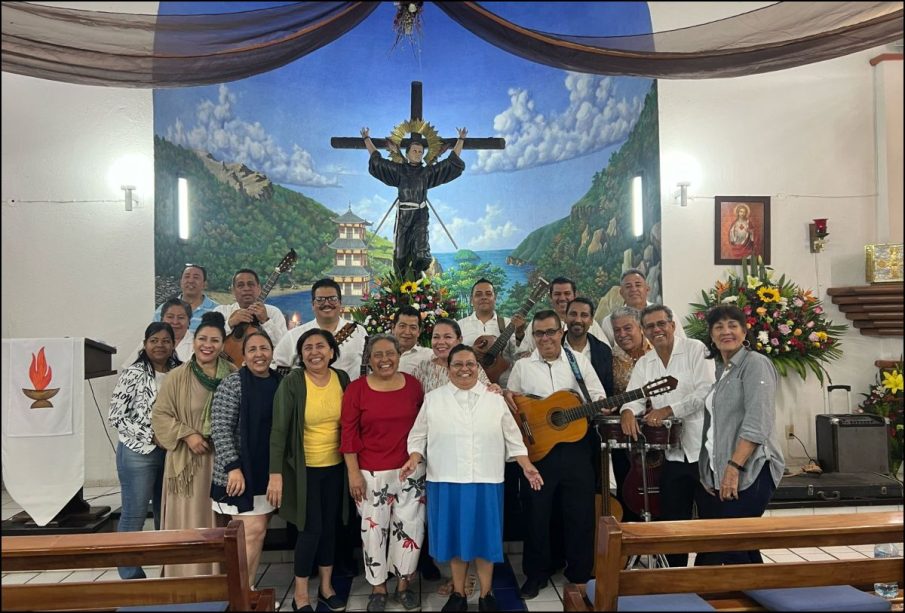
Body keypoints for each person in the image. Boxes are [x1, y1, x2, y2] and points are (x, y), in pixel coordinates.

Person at [403, 345, 544, 613]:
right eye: (458, 364)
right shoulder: (434, 398)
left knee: (485, 539)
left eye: (470, 364)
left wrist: (527, 466)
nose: (464, 369)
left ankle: (486, 595)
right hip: (446, 479)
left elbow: (513, 438)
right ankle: (458, 594)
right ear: (448, 367)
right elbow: (418, 435)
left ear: (478, 368)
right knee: (456, 539)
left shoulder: (494, 399)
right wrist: (414, 456)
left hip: (485, 479)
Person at [506, 310, 606, 599]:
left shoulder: (578, 362)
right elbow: (512, 407)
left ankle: (578, 574)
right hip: (538, 452)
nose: (545, 338)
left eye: (550, 332)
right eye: (539, 333)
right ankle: (536, 574)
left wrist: (601, 405)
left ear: (561, 332)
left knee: (580, 513)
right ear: (533, 336)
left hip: (576, 449)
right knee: (537, 514)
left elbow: (597, 395)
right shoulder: (523, 367)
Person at [619, 305, 716, 566]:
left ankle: (708, 576)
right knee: (673, 519)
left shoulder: (696, 349)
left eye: (661, 323)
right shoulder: (645, 363)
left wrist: (669, 409)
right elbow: (634, 397)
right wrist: (627, 411)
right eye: (650, 326)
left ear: (673, 325)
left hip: (704, 450)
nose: (656, 330)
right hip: (670, 454)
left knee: (710, 519)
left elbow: (705, 392)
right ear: (644, 331)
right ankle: (674, 577)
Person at [341, 335, 425, 613]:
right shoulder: (356, 390)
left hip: (410, 471)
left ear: (399, 355)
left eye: (390, 353)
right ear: (369, 358)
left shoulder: (413, 386)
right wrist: (353, 473)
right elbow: (348, 434)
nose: (385, 359)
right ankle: (378, 587)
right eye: (378, 354)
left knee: (410, 527)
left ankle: (403, 584)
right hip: (371, 472)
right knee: (373, 531)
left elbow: (423, 427)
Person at [696, 305, 785, 566]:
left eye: (732, 325)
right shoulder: (721, 371)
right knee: (741, 546)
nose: (726, 331)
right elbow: (714, 427)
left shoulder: (755, 364)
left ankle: (702, 598)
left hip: (751, 469)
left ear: (744, 331)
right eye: (719, 327)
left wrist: (734, 467)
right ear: (711, 335)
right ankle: (759, 597)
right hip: (720, 470)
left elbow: (757, 422)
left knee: (720, 546)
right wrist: (708, 470)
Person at [269, 329, 349, 613]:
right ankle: (300, 593)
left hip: (335, 468)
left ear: (331, 351)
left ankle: (326, 587)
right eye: (308, 348)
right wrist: (275, 473)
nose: (315, 352)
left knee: (330, 528)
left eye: (321, 346)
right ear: (301, 355)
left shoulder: (341, 379)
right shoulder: (293, 382)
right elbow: (278, 430)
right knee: (310, 529)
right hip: (303, 471)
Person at [152, 311, 236, 577]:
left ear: (222, 344)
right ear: (194, 341)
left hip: (221, 461)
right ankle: (185, 577)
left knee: (221, 521)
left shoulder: (232, 375)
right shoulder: (178, 376)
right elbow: (160, 415)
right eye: (202, 339)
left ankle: (220, 578)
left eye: (214, 340)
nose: (207, 345)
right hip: (187, 463)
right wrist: (188, 434)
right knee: (190, 521)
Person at [108, 322, 181, 580]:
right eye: (154, 340)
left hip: (172, 452)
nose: (160, 345)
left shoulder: (180, 371)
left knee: (168, 515)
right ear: (145, 343)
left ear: (173, 344)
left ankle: (168, 571)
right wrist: (152, 435)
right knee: (134, 513)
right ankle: (130, 575)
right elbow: (116, 416)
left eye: (165, 340)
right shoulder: (133, 373)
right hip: (138, 452)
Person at [210, 330, 281, 587]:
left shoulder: (279, 381)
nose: (259, 354)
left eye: (264, 348)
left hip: (267, 472)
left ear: (272, 351)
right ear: (244, 354)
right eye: (252, 349)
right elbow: (219, 427)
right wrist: (233, 468)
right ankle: (243, 595)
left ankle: (245, 590)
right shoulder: (233, 383)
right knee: (251, 532)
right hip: (241, 473)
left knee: (258, 532)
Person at [361, 126, 467, 277]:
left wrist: (461, 139)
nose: (417, 154)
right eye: (414, 151)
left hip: (420, 216)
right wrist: (367, 139)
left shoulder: (427, 173)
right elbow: (378, 163)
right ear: (407, 153)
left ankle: (419, 286)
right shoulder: (398, 170)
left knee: (421, 254)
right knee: (400, 255)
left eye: (420, 152)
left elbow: (450, 165)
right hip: (404, 215)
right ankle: (401, 289)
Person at [274, 279, 367, 382]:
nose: (327, 303)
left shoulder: (358, 331)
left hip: (349, 395)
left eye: (333, 299)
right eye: (320, 299)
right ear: (313, 304)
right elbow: (277, 368)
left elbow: (369, 367)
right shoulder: (294, 336)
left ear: (340, 302)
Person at [608, 306, 652, 522]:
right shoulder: (608, 357)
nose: (622, 334)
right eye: (617, 330)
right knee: (627, 488)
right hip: (622, 435)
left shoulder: (656, 351)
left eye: (627, 328)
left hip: (657, 434)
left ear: (641, 328)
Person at [457, 278, 530, 387]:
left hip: (504, 386)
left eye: (488, 294)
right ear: (471, 300)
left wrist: (519, 334)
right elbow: (452, 358)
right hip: (468, 385)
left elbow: (519, 357)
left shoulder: (508, 323)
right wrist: (469, 352)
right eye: (478, 294)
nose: (484, 297)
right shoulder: (459, 326)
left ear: (495, 298)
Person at [599, 269, 685, 348]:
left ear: (647, 289)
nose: (634, 289)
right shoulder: (610, 321)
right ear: (621, 292)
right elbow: (607, 353)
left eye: (638, 285)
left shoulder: (665, 314)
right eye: (628, 286)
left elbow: (682, 343)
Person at [215, 268, 288, 349]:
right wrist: (230, 323)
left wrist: (266, 321)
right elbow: (209, 339)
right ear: (233, 290)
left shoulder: (273, 312)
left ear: (259, 288)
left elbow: (284, 347)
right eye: (240, 285)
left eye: (251, 284)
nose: (246, 289)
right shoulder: (221, 311)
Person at [124, 298, 194, 367]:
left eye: (181, 317)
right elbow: (127, 369)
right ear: (161, 319)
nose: (175, 322)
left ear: (189, 321)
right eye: (170, 317)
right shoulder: (150, 341)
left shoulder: (196, 344)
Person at [154, 264, 219, 333]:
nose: (191, 281)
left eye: (196, 277)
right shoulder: (163, 309)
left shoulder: (217, 310)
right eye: (187, 276)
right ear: (180, 282)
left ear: (204, 284)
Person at [393, 305, 433, 374]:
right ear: (393, 328)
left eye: (413, 327)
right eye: (402, 326)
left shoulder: (429, 356)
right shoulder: (382, 354)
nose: (407, 332)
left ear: (419, 331)